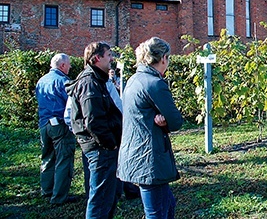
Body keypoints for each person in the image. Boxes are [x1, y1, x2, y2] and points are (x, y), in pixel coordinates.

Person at [118, 37, 183, 219]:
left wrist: (161, 121)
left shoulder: (134, 79)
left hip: (135, 152)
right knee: (156, 213)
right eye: (168, 58)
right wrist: (167, 122)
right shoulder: (155, 84)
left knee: (167, 204)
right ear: (163, 58)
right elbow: (176, 121)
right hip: (149, 158)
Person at [66, 42, 122, 219]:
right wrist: (110, 144)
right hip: (101, 150)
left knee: (108, 196)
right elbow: (93, 121)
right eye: (108, 55)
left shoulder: (97, 80)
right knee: (100, 199)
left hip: (102, 148)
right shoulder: (90, 82)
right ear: (97, 58)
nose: (111, 59)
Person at [35, 53, 76, 205]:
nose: (70, 67)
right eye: (69, 64)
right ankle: (59, 197)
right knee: (64, 159)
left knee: (47, 156)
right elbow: (72, 104)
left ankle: (47, 190)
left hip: (44, 123)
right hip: (59, 124)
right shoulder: (64, 81)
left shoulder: (41, 81)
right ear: (62, 65)